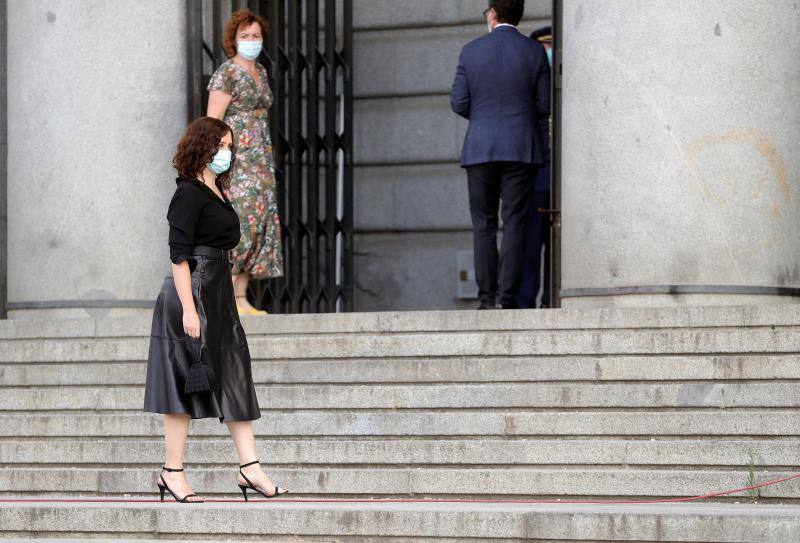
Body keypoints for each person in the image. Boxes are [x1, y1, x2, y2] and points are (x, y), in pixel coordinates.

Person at [143, 117, 289, 503]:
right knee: (182, 385)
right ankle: (171, 472)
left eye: (230, 146)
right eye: (221, 145)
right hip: (190, 294)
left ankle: (249, 468)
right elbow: (178, 257)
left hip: (220, 295)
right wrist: (189, 311)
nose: (228, 152)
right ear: (202, 146)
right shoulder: (188, 193)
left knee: (236, 377)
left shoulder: (218, 190)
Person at [451, 0, 551, 310]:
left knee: (483, 224)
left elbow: (459, 102)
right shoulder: (534, 51)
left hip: (480, 147)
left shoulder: (471, 50)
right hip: (521, 147)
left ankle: (486, 299)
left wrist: (483, 118)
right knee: (515, 222)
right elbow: (546, 103)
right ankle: (507, 300)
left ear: (493, 14)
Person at [207, 9, 283, 315]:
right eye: (245, 36)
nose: (251, 41)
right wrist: (216, 161)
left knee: (260, 223)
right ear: (233, 40)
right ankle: (225, 296)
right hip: (237, 162)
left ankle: (241, 297)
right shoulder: (227, 73)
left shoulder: (261, 72)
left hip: (261, 161)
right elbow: (212, 121)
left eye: (256, 36)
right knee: (241, 222)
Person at [518, 26, 553, 309]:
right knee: (530, 246)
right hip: (537, 175)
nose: (548, 54)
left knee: (558, 248)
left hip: (564, 179)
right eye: (544, 49)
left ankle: (552, 300)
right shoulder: (528, 87)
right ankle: (525, 302)